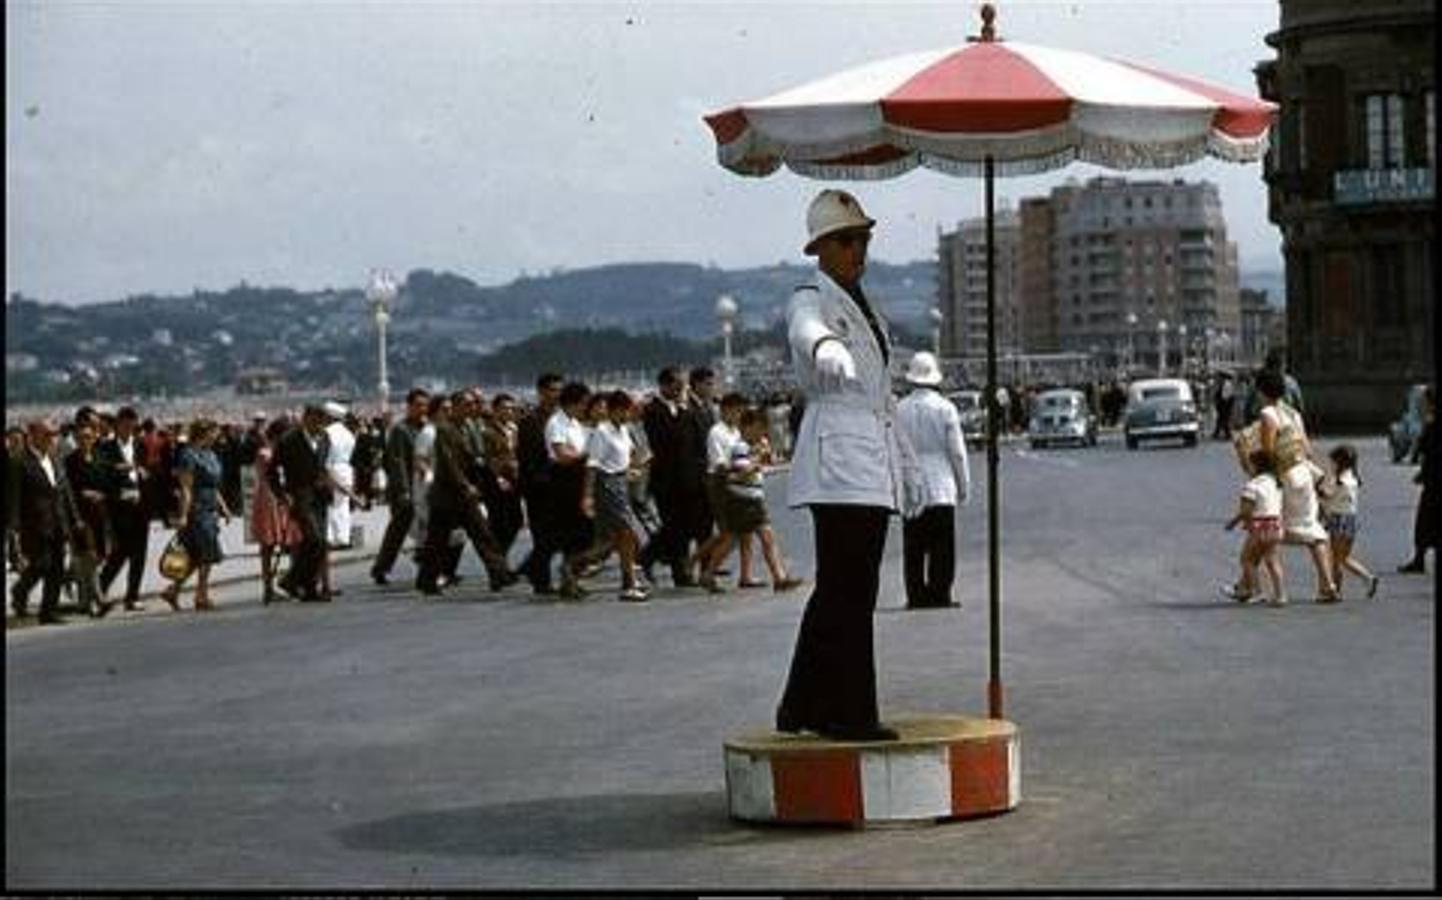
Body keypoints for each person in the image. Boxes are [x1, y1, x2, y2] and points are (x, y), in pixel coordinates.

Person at [774, 189, 913, 743]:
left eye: (863, 239)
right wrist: (823, 347)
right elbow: (804, 326)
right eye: (847, 240)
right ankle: (850, 712)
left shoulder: (866, 305)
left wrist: (908, 465)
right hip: (839, 456)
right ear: (820, 247)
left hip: (868, 454)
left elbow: (883, 396)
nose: (859, 249)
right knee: (848, 589)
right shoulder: (813, 296)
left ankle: (801, 704)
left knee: (843, 587)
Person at [414, 393, 515, 597]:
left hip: (461, 493)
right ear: (457, 407)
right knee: (439, 540)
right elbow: (449, 463)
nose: (473, 408)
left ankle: (498, 574)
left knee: (481, 533)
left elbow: (473, 457)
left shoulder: (467, 427)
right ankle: (427, 579)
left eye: (474, 404)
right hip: (448, 494)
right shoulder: (444, 429)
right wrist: (465, 485)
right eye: (468, 405)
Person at [896, 350, 972, 610]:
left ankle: (916, 595)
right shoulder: (945, 408)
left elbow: (894, 450)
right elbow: (957, 453)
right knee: (943, 546)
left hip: (911, 484)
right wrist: (964, 486)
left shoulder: (899, 409)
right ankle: (940, 593)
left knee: (913, 546)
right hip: (941, 482)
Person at [1255, 369, 1338, 603]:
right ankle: (1327, 583)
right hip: (1303, 473)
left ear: (1261, 391)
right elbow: (1307, 448)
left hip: (1285, 475)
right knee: (1313, 531)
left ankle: (1270, 589)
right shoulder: (1293, 414)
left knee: (1269, 531)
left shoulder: (1267, 414)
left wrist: (1267, 478)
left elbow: (1268, 450)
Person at [639, 367, 706, 588]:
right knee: (674, 526)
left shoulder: (686, 410)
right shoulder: (653, 411)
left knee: (685, 527)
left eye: (683, 384)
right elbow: (662, 443)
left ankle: (657, 559)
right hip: (665, 480)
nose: (681, 389)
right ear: (664, 385)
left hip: (689, 479)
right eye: (677, 384)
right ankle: (675, 570)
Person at [8, 419, 79, 625]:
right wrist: (14, 527)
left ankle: (48, 611)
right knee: (41, 565)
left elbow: (65, 492)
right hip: (34, 524)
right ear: (33, 435)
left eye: (53, 435)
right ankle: (20, 590)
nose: (51, 438)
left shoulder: (55, 459)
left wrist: (75, 518)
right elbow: (14, 496)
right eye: (47, 434)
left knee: (57, 567)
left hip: (58, 522)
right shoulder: (20, 462)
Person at [726, 407, 804, 593]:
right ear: (748, 427)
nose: (761, 433)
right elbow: (743, 471)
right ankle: (779, 577)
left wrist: (764, 457)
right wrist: (759, 458)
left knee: (739, 539)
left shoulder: (749, 447)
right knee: (765, 538)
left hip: (750, 497)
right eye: (758, 428)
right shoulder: (740, 448)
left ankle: (744, 575)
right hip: (748, 500)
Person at [583, 390, 649, 602]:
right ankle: (628, 582)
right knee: (626, 532)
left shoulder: (622, 430)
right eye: (627, 410)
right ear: (617, 410)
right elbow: (593, 466)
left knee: (619, 538)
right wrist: (588, 496)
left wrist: (632, 468)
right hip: (607, 485)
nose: (629, 415)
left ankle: (577, 565)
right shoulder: (602, 432)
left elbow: (628, 456)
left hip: (621, 483)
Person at [160, 419, 233, 612]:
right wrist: (183, 515)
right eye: (214, 432)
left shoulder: (209, 453)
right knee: (207, 553)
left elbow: (213, 485)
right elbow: (186, 488)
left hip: (210, 507)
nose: (217, 436)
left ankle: (173, 590)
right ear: (205, 433)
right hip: (197, 509)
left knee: (196, 555)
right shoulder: (188, 455)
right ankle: (201, 595)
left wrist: (223, 507)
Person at [268, 404, 333, 602]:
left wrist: (327, 483)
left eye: (321, 421)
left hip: (321, 496)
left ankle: (308, 586)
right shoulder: (288, 440)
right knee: (315, 539)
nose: (318, 425)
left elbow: (322, 466)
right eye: (315, 420)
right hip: (300, 495)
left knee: (320, 543)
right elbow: (271, 472)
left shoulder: (324, 439)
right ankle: (291, 580)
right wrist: (281, 495)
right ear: (305, 419)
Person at [694, 392, 753, 593]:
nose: (739, 415)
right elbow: (720, 464)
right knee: (731, 533)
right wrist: (742, 469)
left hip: (737, 482)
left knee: (738, 532)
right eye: (737, 411)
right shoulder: (716, 432)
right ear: (726, 410)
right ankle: (707, 572)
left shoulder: (736, 432)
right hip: (720, 483)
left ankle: (742, 574)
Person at [371, 388, 429, 585]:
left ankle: (426, 563)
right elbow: (398, 463)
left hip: (422, 487)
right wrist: (404, 490)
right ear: (410, 406)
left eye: (425, 405)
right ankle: (381, 568)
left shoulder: (424, 428)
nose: (423, 409)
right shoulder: (400, 430)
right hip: (404, 489)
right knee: (398, 530)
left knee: (425, 527)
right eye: (419, 405)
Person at [545, 381, 595, 599]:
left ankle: (571, 576)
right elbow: (562, 454)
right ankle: (568, 579)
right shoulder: (556, 423)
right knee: (572, 533)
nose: (586, 407)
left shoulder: (575, 423)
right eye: (584, 403)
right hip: (563, 480)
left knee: (583, 534)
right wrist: (585, 454)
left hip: (579, 477)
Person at [517, 373, 565, 595]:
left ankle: (532, 568)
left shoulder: (562, 419)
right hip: (538, 486)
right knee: (542, 534)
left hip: (558, 485)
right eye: (552, 390)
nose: (556, 394)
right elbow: (527, 457)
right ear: (541, 392)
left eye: (559, 390)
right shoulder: (530, 421)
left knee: (555, 535)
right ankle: (541, 580)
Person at [62, 420, 115, 618]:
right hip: (80, 515)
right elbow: (70, 492)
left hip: (100, 514)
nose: (85, 441)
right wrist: (76, 516)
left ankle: (83, 599)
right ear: (75, 439)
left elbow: (109, 482)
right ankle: (98, 599)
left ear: (94, 437)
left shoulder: (100, 458)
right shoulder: (70, 461)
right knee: (89, 556)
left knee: (94, 558)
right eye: (81, 438)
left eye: (88, 437)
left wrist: (102, 494)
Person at [1222, 448, 1287, 606]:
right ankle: (1280, 595)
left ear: (1257, 466)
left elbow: (1246, 510)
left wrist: (1233, 522)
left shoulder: (1252, 485)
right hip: (1276, 525)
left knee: (1247, 559)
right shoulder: (1276, 483)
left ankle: (1257, 591)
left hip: (1259, 526)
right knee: (1272, 560)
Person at [1317, 443, 1379, 599]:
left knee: (1336, 558)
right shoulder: (1353, 478)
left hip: (1338, 518)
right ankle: (1366, 578)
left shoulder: (1337, 480)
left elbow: (1325, 494)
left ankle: (1337, 589)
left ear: (1339, 461)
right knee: (1343, 557)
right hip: (1351, 518)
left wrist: (1316, 486)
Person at [251, 417, 301, 605]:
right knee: (272, 545)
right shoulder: (267, 453)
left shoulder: (271, 451)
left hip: (271, 497)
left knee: (280, 544)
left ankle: (281, 584)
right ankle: (270, 587)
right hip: (272, 498)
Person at [1398, 386, 1436, 575]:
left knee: (1425, 521)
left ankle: (1419, 559)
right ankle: (1419, 558)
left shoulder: (1431, 423)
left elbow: (1423, 449)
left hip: (1432, 481)